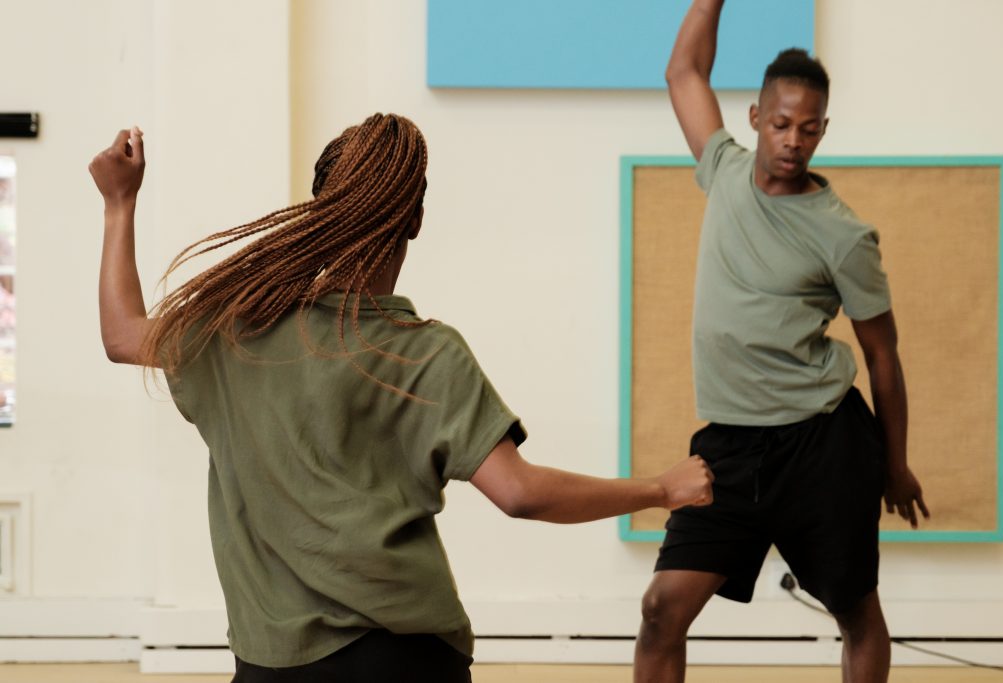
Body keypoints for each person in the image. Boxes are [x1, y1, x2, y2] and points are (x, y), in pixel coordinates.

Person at [89, 115, 715, 683]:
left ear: (318, 208)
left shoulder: (238, 331)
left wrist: (120, 203)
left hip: (274, 666)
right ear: (416, 219)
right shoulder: (427, 353)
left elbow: (122, 336)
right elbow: (520, 493)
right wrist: (661, 489)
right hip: (410, 661)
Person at [633, 3, 930, 682]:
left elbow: (882, 355)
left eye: (809, 128)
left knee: (856, 615)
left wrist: (896, 463)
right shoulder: (723, 169)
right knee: (660, 610)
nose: (793, 140)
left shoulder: (844, 235)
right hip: (730, 448)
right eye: (781, 124)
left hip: (822, 444)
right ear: (755, 118)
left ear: (823, 129)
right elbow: (683, 71)